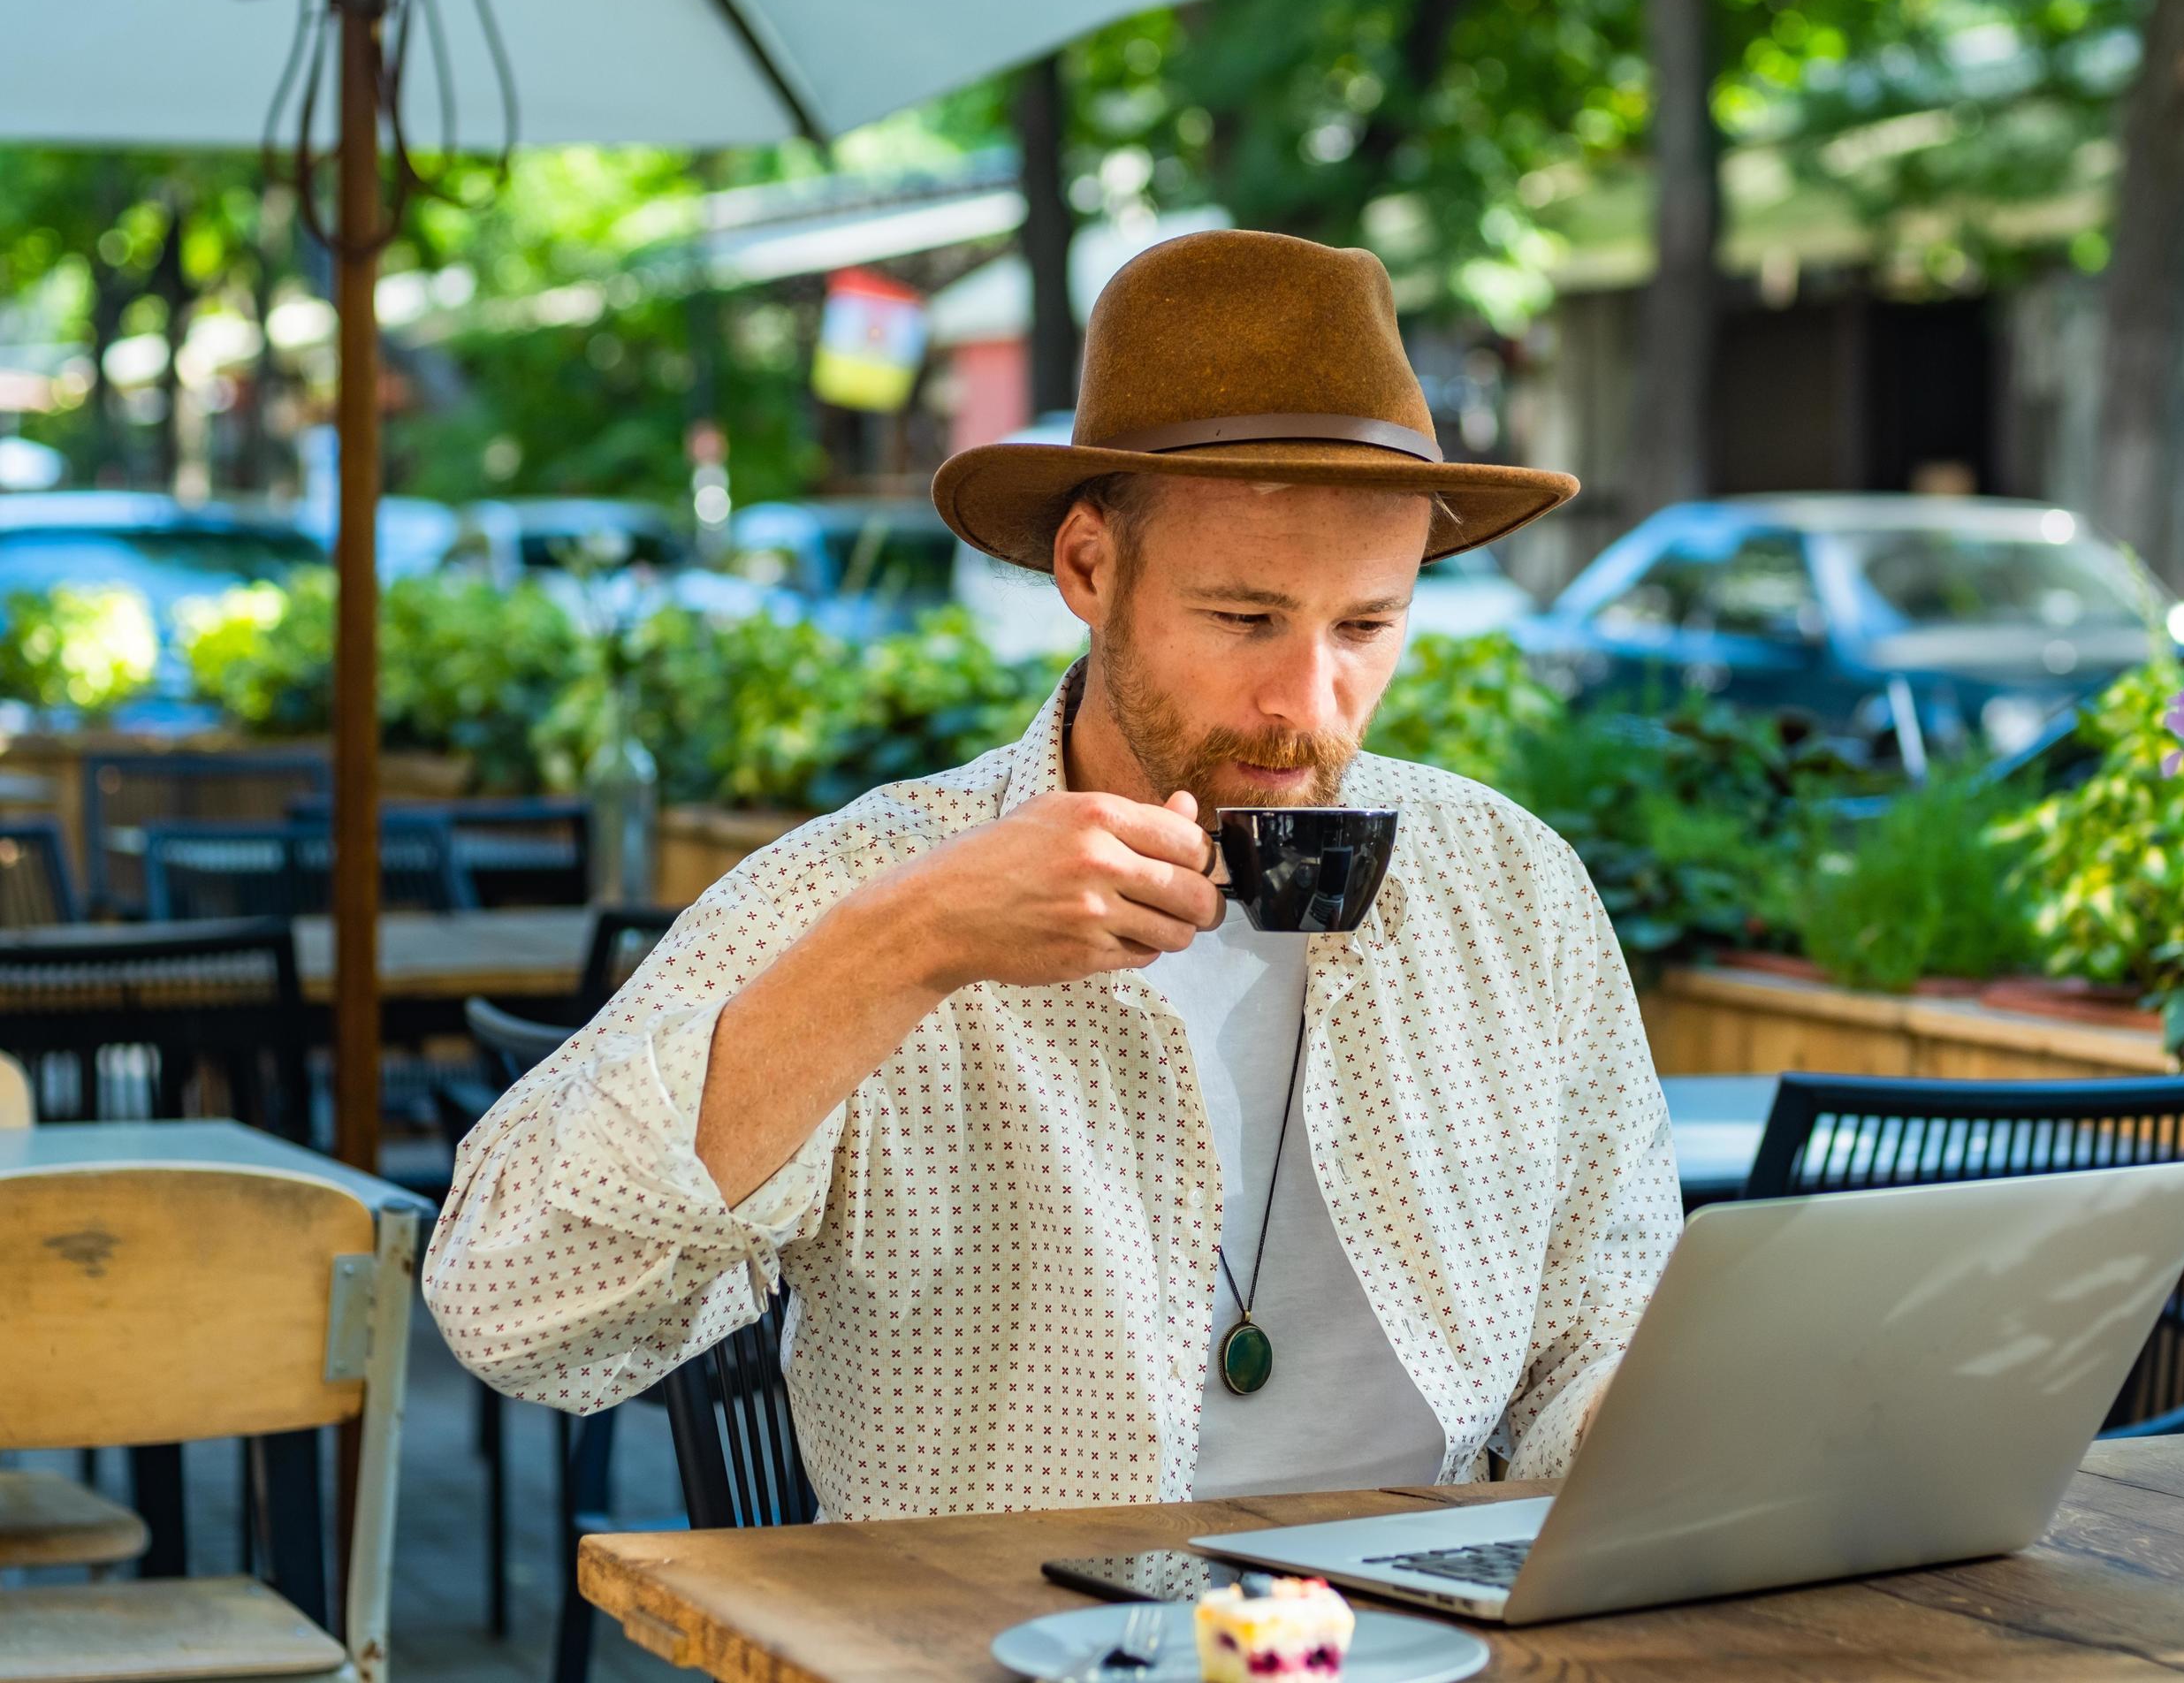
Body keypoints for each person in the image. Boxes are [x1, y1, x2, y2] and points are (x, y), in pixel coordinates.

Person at [423, 229, 1681, 1521]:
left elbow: (1602, 1332)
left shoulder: (1511, 887)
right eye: (1245, 618)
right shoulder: (875, 881)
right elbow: (509, 1305)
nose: (1309, 702)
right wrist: (906, 949)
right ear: (1090, 567)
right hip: (989, 1645)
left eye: (1366, 626)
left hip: (1438, 1642)